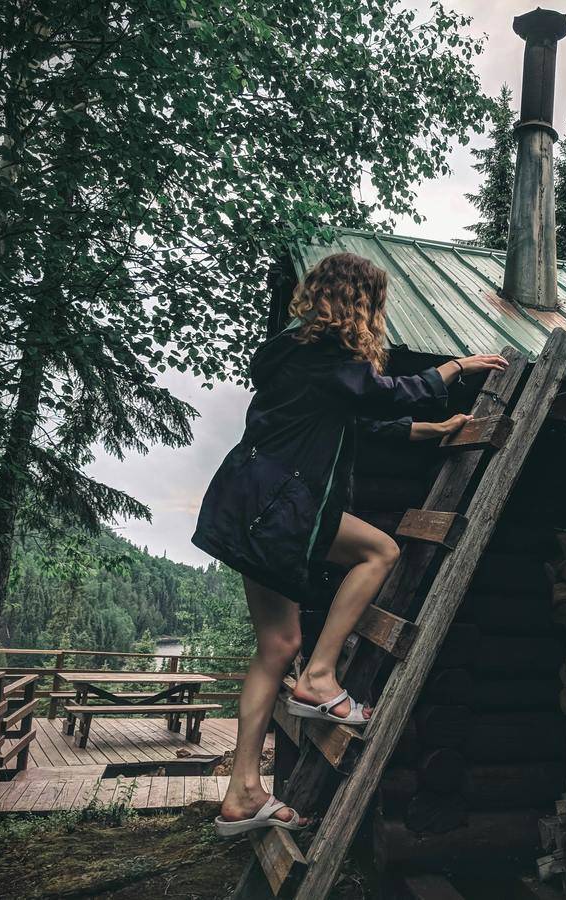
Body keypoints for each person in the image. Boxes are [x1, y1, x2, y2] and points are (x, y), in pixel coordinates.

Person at [192, 252, 507, 836]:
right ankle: (320, 679)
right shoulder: (323, 355)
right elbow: (386, 392)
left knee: (276, 645)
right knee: (380, 551)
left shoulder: (298, 358)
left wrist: (431, 430)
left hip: (249, 503)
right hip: (278, 505)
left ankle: (241, 793)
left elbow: (357, 420)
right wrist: (456, 367)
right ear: (360, 302)